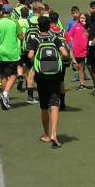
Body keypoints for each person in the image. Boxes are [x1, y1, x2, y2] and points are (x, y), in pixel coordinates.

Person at [26, 14, 70, 149]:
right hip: (55, 75)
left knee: (44, 107)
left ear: (39, 27)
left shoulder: (35, 40)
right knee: (55, 104)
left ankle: (46, 134)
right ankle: (54, 134)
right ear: (49, 26)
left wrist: (36, 62)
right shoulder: (55, 38)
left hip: (41, 76)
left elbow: (30, 55)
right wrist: (57, 60)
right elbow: (65, 53)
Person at [0, 4, 24, 110]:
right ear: (11, 13)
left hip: (0, 53)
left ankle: (5, 97)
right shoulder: (14, 22)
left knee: (3, 75)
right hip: (12, 53)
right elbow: (21, 37)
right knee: (13, 75)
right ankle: (5, 94)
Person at [66, 12, 90, 90]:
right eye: (81, 18)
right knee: (80, 68)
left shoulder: (89, 28)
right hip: (77, 52)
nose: (82, 19)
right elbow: (69, 36)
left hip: (87, 51)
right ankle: (82, 84)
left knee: (90, 68)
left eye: (84, 18)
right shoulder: (76, 26)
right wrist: (71, 43)